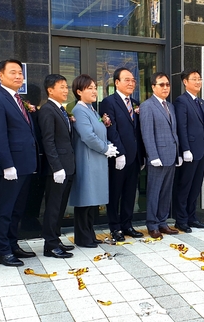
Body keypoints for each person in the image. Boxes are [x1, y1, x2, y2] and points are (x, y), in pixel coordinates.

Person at [0, 59, 38, 266]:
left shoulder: (17, 99)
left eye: (20, 73)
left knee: (17, 209)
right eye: (13, 72)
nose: (18, 76)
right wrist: (7, 164)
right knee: (4, 210)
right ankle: (2, 250)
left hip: (24, 164)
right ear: (1, 76)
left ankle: (13, 244)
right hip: (11, 165)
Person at [69, 74, 118, 247]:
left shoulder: (91, 109)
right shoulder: (79, 110)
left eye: (94, 87)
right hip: (87, 160)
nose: (93, 91)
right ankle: (82, 237)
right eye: (89, 88)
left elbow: (99, 132)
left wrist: (109, 145)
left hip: (96, 160)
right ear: (79, 91)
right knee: (85, 200)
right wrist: (105, 148)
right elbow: (88, 136)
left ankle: (89, 234)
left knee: (92, 201)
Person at [99, 68, 145, 241]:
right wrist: (120, 153)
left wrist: (142, 154)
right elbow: (111, 129)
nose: (131, 83)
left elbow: (138, 131)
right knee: (115, 193)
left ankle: (127, 224)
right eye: (127, 80)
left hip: (135, 157)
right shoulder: (108, 102)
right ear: (117, 82)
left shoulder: (135, 102)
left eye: (133, 80)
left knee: (129, 193)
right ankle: (115, 227)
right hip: (119, 157)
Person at [37, 74, 75, 258]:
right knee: (52, 207)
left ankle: (56, 238)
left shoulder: (61, 110)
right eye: (61, 86)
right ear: (50, 90)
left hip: (68, 166)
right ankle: (50, 244)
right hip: (57, 169)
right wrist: (56, 167)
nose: (66, 90)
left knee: (60, 207)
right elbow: (48, 141)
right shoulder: (47, 110)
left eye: (66, 86)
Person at [140, 72, 181, 238]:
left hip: (171, 155)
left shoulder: (170, 106)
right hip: (157, 157)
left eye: (167, 84)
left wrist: (178, 153)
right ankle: (152, 224)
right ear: (153, 87)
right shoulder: (147, 106)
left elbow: (174, 132)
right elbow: (147, 133)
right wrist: (153, 155)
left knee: (166, 192)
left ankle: (163, 222)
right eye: (161, 84)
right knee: (154, 191)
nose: (165, 87)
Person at [173, 68, 204, 233]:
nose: (198, 82)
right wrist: (185, 149)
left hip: (201, 151)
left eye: (199, 79)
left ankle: (192, 217)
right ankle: (181, 220)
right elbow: (181, 127)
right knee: (185, 186)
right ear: (185, 82)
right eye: (194, 79)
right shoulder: (181, 101)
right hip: (190, 152)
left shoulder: (201, 102)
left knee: (196, 187)